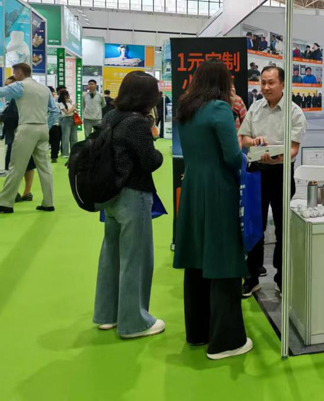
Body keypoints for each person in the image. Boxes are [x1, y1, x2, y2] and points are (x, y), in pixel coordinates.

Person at [173, 60, 252, 360]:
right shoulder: (219, 109)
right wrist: (248, 158)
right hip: (218, 189)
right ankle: (225, 341)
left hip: (193, 187)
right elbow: (232, 156)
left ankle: (198, 332)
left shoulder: (187, 109)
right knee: (223, 261)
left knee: (197, 261)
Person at [93, 71, 165, 340]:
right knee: (136, 258)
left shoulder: (110, 116)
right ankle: (134, 322)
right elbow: (150, 161)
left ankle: (107, 314)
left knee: (110, 255)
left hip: (109, 194)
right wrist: (155, 146)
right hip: (133, 194)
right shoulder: (137, 123)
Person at [239, 65, 307, 296]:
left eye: (271, 82)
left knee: (282, 227)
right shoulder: (255, 107)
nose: (266, 87)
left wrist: (278, 156)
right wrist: (254, 141)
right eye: (263, 82)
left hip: (280, 174)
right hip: (256, 173)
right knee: (254, 225)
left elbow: (294, 149)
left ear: (283, 84)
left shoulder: (294, 112)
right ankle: (252, 276)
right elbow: (244, 139)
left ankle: (281, 277)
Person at [0, 63, 59, 214]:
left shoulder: (19, 86)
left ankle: (5, 203)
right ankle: (48, 202)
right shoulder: (44, 89)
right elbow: (55, 111)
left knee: (16, 166)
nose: (14, 76)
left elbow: (1, 92)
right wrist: (46, 125)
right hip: (43, 129)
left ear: (19, 73)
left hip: (27, 128)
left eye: (14, 73)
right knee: (44, 167)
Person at [1, 76, 37, 202]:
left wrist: (3, 117)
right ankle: (25, 192)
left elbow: (15, 117)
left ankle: (15, 192)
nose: (6, 88)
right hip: (20, 135)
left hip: (18, 136)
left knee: (15, 165)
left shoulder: (18, 101)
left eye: (8, 86)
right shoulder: (14, 101)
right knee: (27, 164)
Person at [58, 89, 78, 157]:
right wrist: (73, 107)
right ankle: (65, 153)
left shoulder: (70, 102)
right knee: (65, 137)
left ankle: (74, 152)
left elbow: (73, 111)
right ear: (63, 96)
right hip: (65, 120)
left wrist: (75, 109)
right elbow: (67, 112)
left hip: (73, 119)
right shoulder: (61, 104)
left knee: (74, 137)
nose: (68, 96)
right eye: (66, 94)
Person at [47, 87, 62, 163]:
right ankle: (54, 157)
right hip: (55, 125)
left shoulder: (41, 103)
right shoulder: (57, 104)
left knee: (45, 142)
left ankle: (50, 157)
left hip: (46, 126)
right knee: (55, 142)